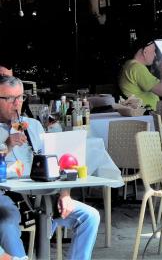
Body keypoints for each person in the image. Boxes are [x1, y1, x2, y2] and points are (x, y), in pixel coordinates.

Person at [0, 75, 100, 260]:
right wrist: (7, 145)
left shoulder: (34, 126)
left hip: (39, 196)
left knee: (90, 217)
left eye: (20, 97)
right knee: (5, 221)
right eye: (9, 99)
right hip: (6, 195)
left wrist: (64, 193)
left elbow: (56, 163)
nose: (16, 104)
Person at [118, 37, 162, 109]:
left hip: (142, 114)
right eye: (153, 51)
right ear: (144, 52)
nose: (155, 55)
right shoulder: (137, 68)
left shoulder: (129, 65)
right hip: (145, 115)